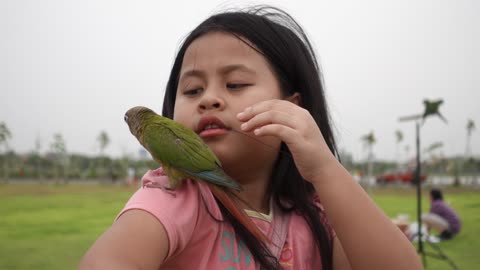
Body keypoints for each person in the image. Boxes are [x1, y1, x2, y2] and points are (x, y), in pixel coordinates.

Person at [79, 6, 422, 270]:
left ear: (292, 108)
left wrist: (325, 170)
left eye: (236, 84)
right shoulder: (173, 196)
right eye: (192, 89)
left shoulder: (318, 213)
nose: (208, 99)